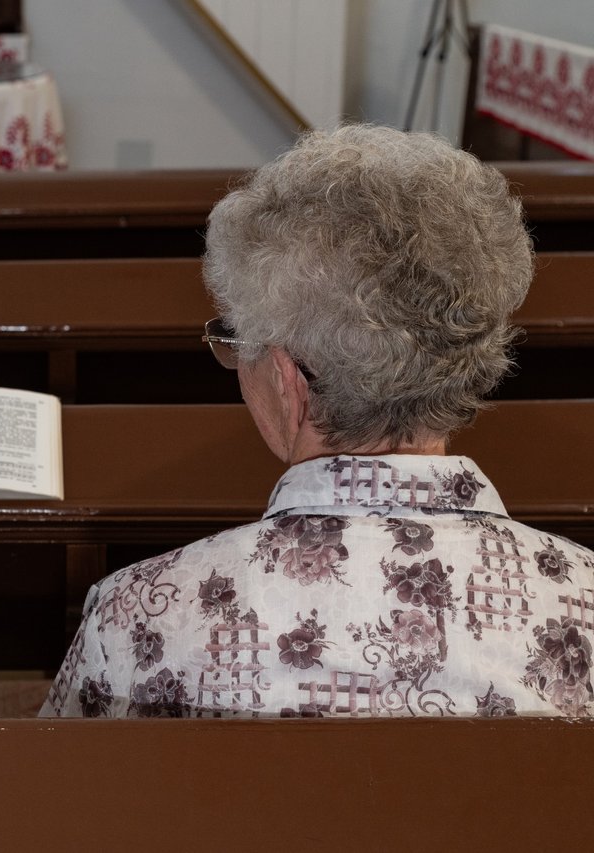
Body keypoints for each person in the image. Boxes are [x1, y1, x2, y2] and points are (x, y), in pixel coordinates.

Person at [43, 124, 594, 718]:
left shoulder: (134, 618)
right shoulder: (583, 604)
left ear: (288, 381)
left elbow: (66, 797)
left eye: (236, 344)